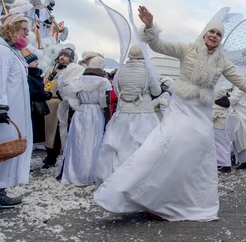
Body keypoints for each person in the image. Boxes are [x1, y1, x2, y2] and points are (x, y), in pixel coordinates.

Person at [94, 6, 246, 221]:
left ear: (220, 40)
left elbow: (241, 82)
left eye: (218, 34)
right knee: (166, 146)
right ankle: (145, 195)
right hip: (182, 106)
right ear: (204, 34)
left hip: (202, 111)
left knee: (197, 154)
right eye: (211, 32)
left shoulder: (222, 61)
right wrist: (150, 26)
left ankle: (182, 200)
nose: (214, 36)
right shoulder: (187, 49)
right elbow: (159, 45)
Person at [96, 45, 161, 184]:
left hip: (123, 112)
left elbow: (117, 90)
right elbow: (156, 91)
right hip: (143, 113)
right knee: (144, 146)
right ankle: (139, 180)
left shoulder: (121, 70)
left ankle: (116, 179)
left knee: (120, 145)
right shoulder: (148, 71)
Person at [0, 14, 31, 211]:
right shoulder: (0, 51)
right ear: (12, 29)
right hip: (2, 112)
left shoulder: (11, 51)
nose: (27, 34)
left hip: (13, 109)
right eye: (24, 30)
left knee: (4, 151)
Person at [61, 57, 111, 186]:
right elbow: (105, 102)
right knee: (93, 142)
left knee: (77, 142)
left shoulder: (78, 80)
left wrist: (77, 106)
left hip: (81, 111)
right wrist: (107, 119)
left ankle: (74, 172)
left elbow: (71, 96)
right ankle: (90, 173)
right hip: (96, 112)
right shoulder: (104, 82)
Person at [41, 48, 74, 168]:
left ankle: (53, 156)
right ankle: (48, 154)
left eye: (65, 55)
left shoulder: (70, 71)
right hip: (47, 102)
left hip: (59, 103)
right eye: (61, 55)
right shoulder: (50, 70)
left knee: (56, 132)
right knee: (46, 131)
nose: (62, 57)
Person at [24, 50, 52, 144]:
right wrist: (43, 93)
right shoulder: (28, 76)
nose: (37, 63)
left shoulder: (37, 76)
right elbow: (31, 93)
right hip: (32, 109)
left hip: (37, 109)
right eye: (35, 61)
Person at [212, 87, 234, 173]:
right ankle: (226, 164)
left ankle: (224, 165)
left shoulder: (216, 105)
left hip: (217, 128)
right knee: (226, 146)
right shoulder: (228, 104)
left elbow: (212, 117)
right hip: (226, 127)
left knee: (219, 146)